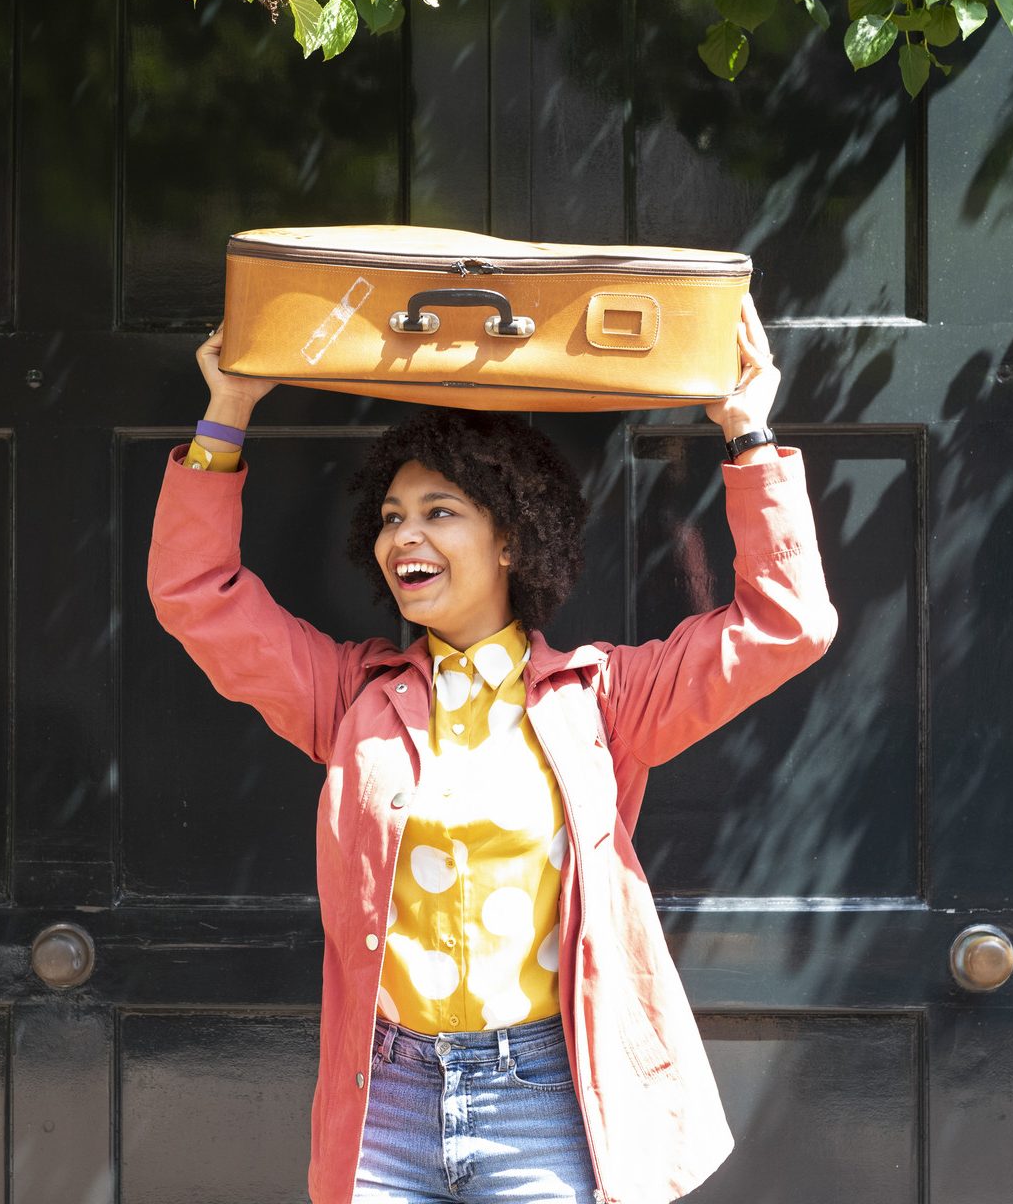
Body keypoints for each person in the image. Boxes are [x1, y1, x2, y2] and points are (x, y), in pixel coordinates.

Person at [146, 292, 837, 1204]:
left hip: (546, 1100)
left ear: (510, 539)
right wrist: (226, 413)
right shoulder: (350, 697)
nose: (406, 536)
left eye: (441, 511)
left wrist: (748, 433)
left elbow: (788, 624)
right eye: (392, 517)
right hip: (384, 1101)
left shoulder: (608, 700)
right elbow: (197, 593)